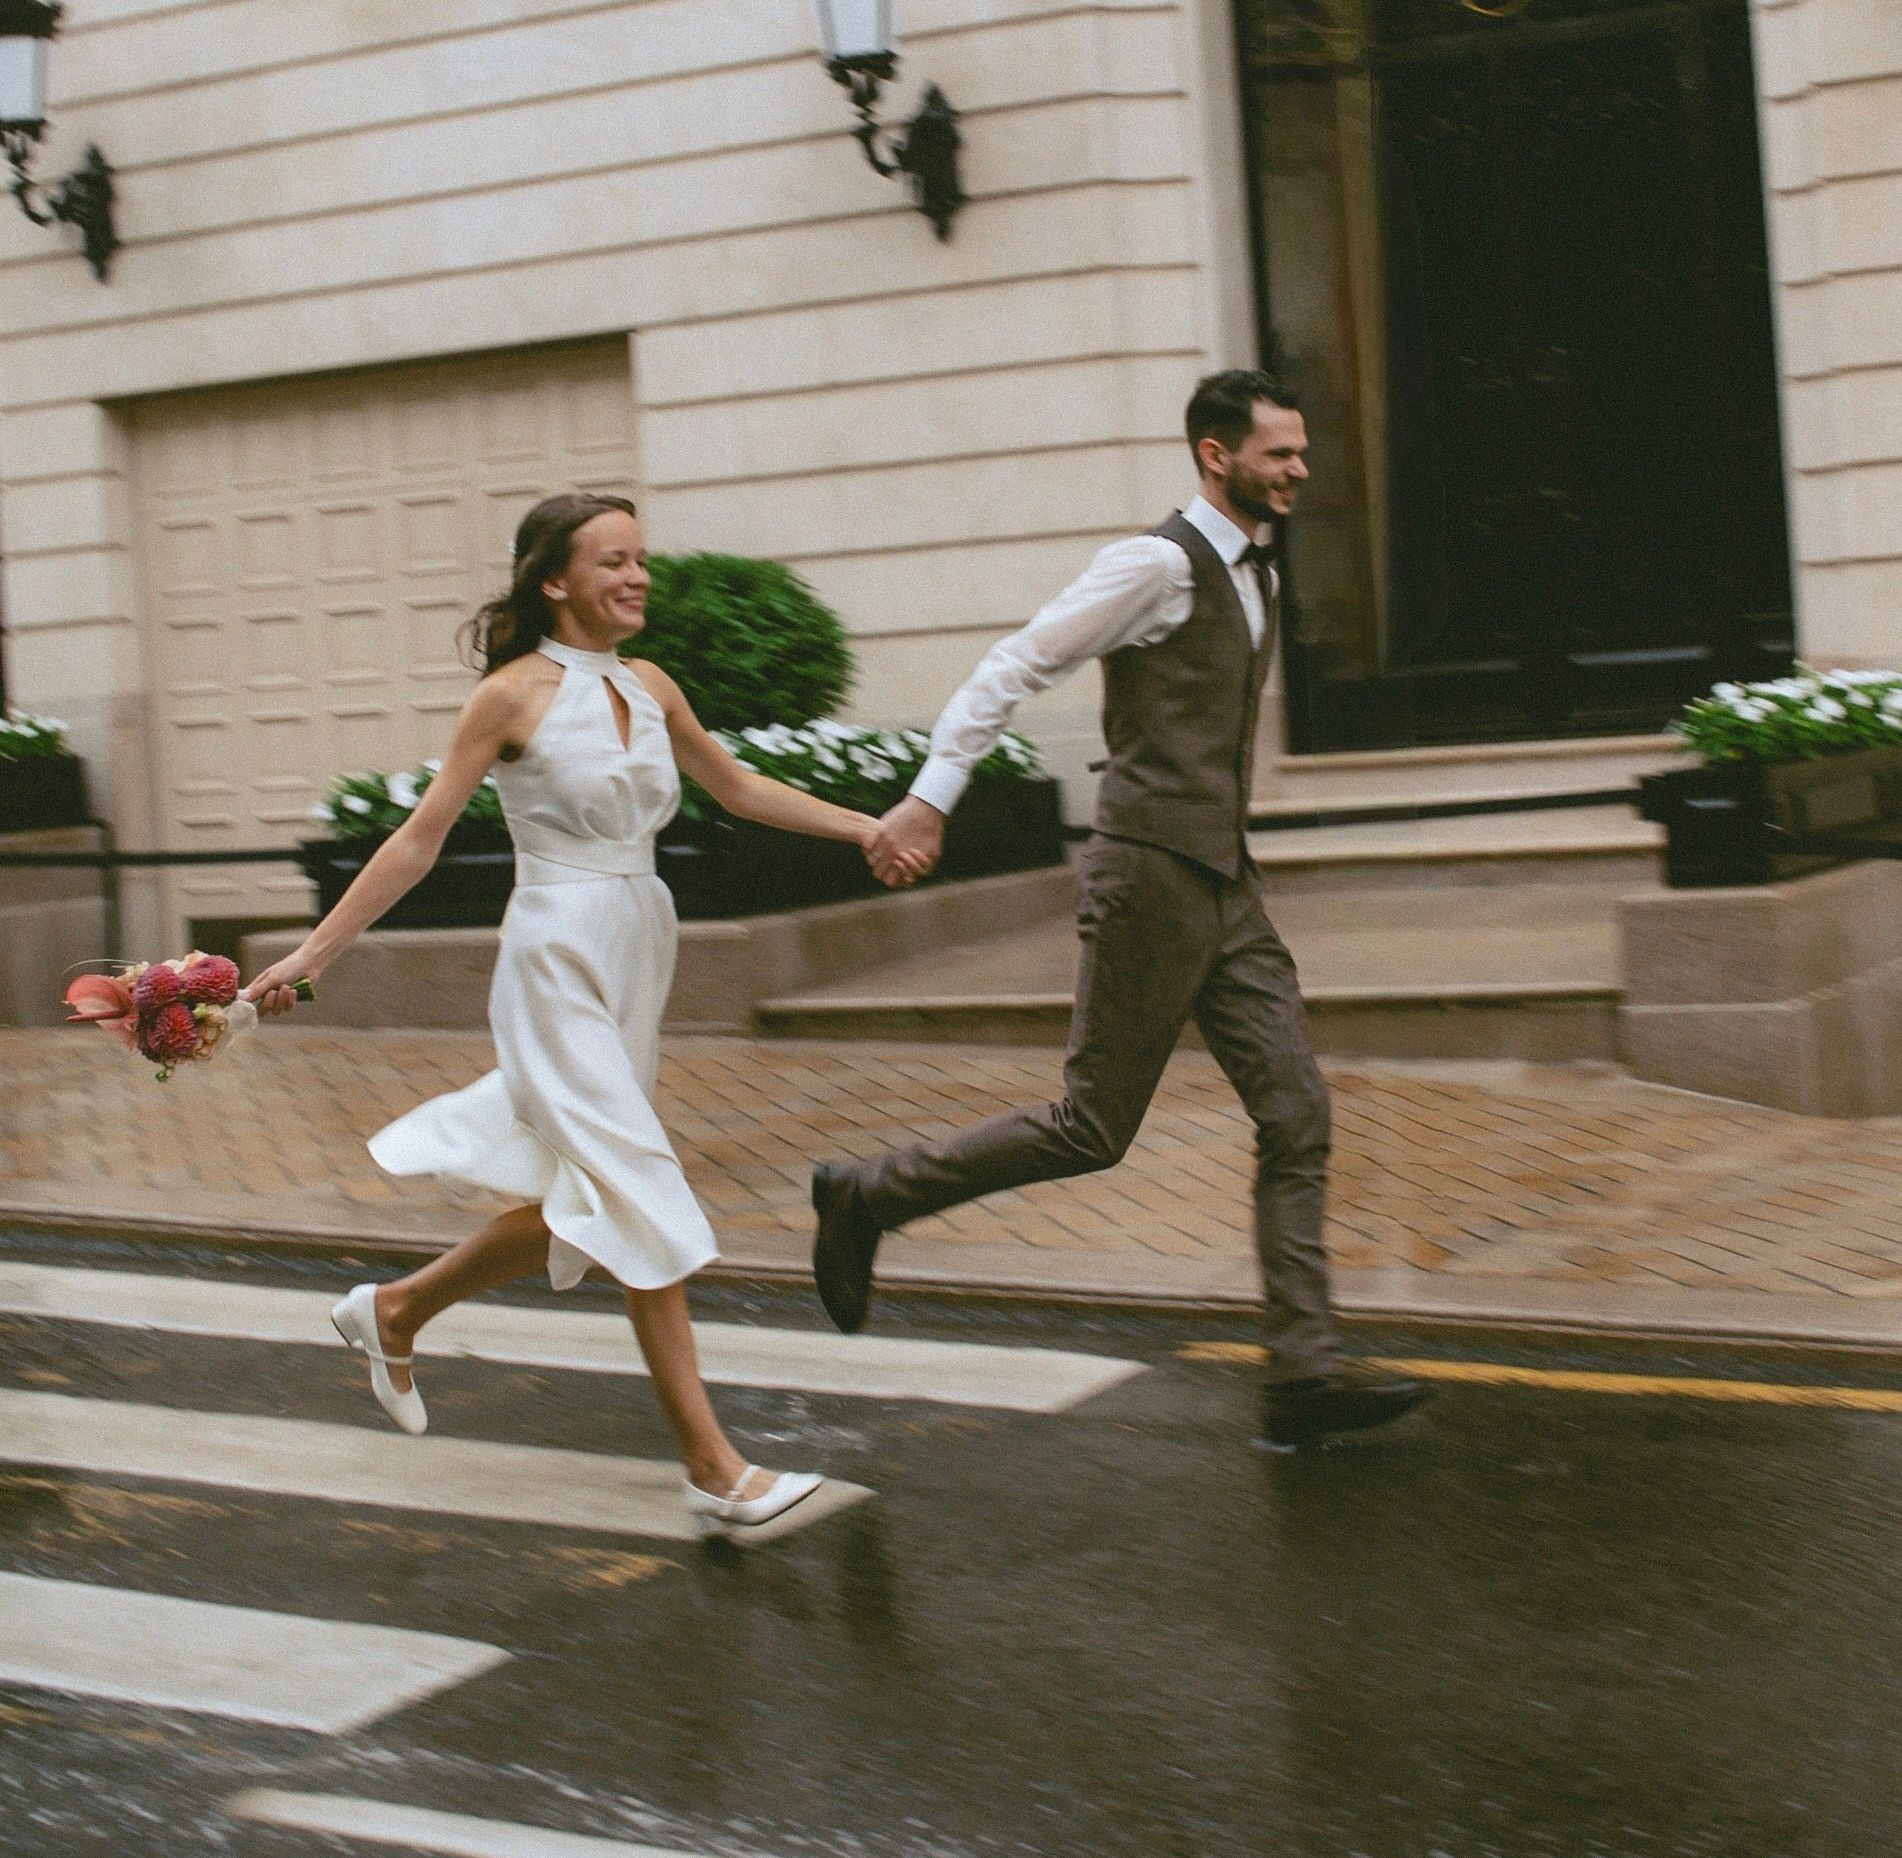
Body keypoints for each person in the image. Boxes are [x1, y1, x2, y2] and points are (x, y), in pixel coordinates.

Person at [811, 372, 1430, 1453]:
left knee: (1296, 1112)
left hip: (1221, 877)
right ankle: (865, 1195)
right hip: (1146, 872)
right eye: (1277, 453)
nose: (1296, 469)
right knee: (1091, 1126)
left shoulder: (1256, 572)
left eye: (1298, 452)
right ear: (1212, 453)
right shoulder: (1153, 565)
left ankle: (1301, 1373)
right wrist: (930, 794)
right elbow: (1014, 662)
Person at [246, 491, 888, 1527]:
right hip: (555, 950)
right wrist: (310, 954)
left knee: (585, 1195)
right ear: (554, 579)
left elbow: (736, 786)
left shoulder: (649, 682)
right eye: (612, 560)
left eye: (641, 559)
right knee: (636, 1184)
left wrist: (867, 829)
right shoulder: (508, 696)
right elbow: (419, 837)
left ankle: (394, 1307)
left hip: (639, 942)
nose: (636, 576)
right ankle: (712, 1464)